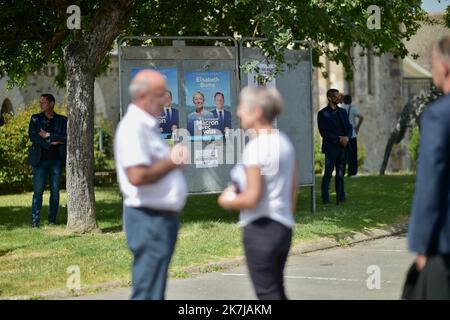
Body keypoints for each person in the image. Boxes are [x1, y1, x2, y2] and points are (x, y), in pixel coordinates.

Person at [114, 69, 188, 300]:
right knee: (147, 292)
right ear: (144, 96)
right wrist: (171, 161)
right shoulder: (133, 127)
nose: (167, 100)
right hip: (148, 219)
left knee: (154, 290)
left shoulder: (147, 125)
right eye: (161, 94)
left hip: (158, 218)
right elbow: (137, 175)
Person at [218, 86, 297, 300]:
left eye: (243, 107)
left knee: (267, 295)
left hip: (261, 230)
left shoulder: (255, 147)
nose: (237, 111)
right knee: (276, 291)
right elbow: (292, 194)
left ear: (257, 112)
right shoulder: (285, 143)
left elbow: (252, 197)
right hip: (283, 228)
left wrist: (227, 200)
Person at [407, 36, 450, 299]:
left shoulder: (439, 115)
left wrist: (422, 245)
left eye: (431, 63)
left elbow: (430, 186)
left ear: (445, 67)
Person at [28, 94, 67, 228]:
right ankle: (35, 220)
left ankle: (52, 220)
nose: (41, 105)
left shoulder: (62, 120)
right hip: (40, 161)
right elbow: (33, 136)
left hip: (56, 161)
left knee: (55, 191)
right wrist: (51, 143)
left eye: (44, 103)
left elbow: (65, 137)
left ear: (51, 104)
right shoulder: (35, 119)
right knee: (38, 191)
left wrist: (48, 135)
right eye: (40, 102)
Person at [317, 89, 353, 204]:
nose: (339, 98)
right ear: (330, 98)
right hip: (331, 148)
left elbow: (349, 126)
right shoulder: (322, 114)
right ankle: (325, 199)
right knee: (328, 173)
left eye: (339, 96)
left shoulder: (342, 112)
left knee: (341, 173)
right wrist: (339, 139)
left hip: (343, 147)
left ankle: (341, 197)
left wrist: (347, 137)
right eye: (336, 96)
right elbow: (324, 132)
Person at [341, 94, 364, 177]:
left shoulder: (341, 108)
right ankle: (352, 173)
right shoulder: (353, 109)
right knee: (353, 155)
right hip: (352, 135)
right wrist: (357, 127)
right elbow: (361, 117)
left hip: (343, 135)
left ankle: (341, 172)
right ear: (350, 101)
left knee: (343, 155)